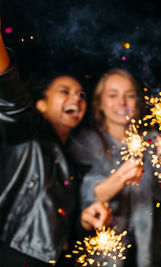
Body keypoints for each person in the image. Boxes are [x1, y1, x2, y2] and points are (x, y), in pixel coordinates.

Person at [0, 19, 112, 267]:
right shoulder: (29, 133)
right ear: (40, 104)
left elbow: (58, 225)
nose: (77, 97)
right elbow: (9, 95)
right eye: (65, 91)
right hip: (14, 253)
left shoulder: (71, 160)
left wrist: (84, 220)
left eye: (82, 94)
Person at [69, 68, 161, 267]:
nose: (122, 103)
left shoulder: (153, 141)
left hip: (149, 254)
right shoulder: (84, 143)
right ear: (99, 103)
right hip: (102, 258)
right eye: (113, 95)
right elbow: (88, 197)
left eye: (129, 95)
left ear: (137, 102)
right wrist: (121, 178)